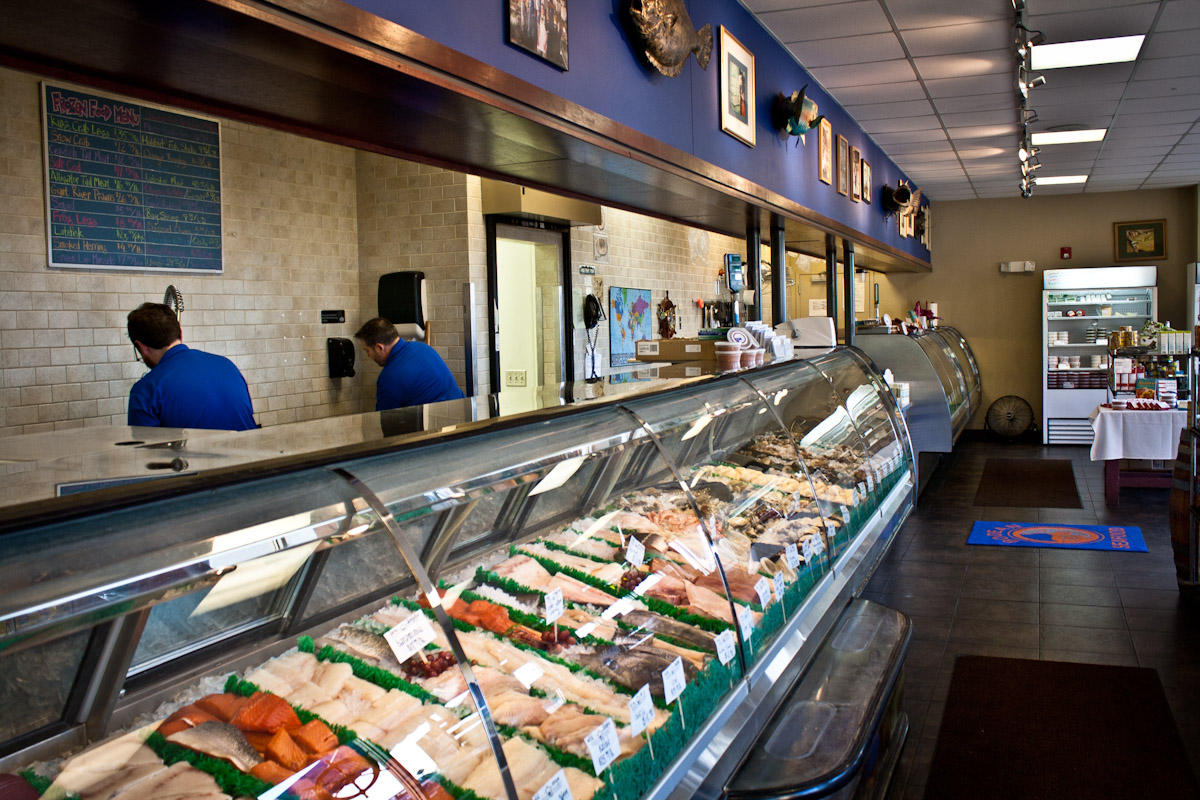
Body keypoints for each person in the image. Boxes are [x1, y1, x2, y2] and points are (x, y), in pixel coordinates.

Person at [126, 302, 257, 430]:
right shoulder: (227, 366)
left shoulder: (147, 390)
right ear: (179, 333)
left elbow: (146, 450)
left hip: (192, 452)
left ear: (142, 347)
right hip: (249, 450)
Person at [354, 317, 464, 410]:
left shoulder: (390, 377)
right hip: (461, 415)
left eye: (367, 351)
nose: (368, 356)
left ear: (379, 347)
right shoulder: (423, 348)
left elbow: (387, 421)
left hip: (437, 426)